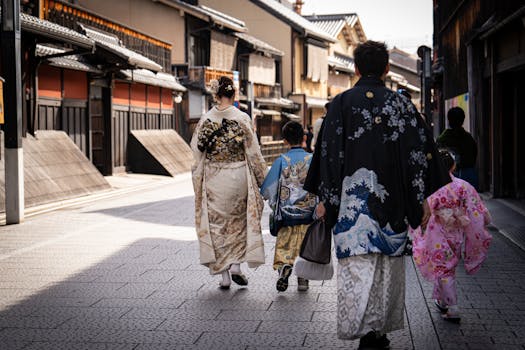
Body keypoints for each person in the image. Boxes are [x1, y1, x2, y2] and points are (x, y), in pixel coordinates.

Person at [304, 40, 450, 349]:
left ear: (355, 68)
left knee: (357, 270)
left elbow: (329, 156)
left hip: (350, 209)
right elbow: (418, 155)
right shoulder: (401, 106)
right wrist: (419, 198)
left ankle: (365, 332)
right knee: (387, 271)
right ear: (386, 68)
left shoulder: (341, 104)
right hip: (393, 206)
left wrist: (325, 201)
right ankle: (379, 331)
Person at [191, 76, 268, 289]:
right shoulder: (242, 118)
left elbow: (196, 154)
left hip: (215, 178)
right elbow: (254, 152)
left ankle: (224, 277)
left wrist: (199, 180)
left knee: (217, 227)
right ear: (233, 95)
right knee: (239, 222)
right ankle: (235, 265)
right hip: (238, 176)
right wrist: (263, 180)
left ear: (216, 95)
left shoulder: (206, 119)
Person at [410, 150, 492, 323]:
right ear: (453, 166)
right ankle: (442, 300)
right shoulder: (463, 186)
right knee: (447, 266)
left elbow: (422, 207)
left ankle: (453, 307)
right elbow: (476, 208)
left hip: (437, 231)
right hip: (456, 232)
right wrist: (483, 220)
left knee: (444, 266)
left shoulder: (432, 185)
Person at [260, 121, 317, 292]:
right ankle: (303, 279)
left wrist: (273, 200)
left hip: (287, 214)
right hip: (308, 213)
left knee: (285, 244)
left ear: (285, 141)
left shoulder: (281, 161)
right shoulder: (313, 160)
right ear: (304, 138)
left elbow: (268, 188)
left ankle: (284, 267)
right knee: (306, 246)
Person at [437, 107, 478, 188]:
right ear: (463, 120)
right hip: (469, 176)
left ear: (449, 120)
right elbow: (474, 157)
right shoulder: (469, 138)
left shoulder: (442, 139)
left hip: (449, 179)